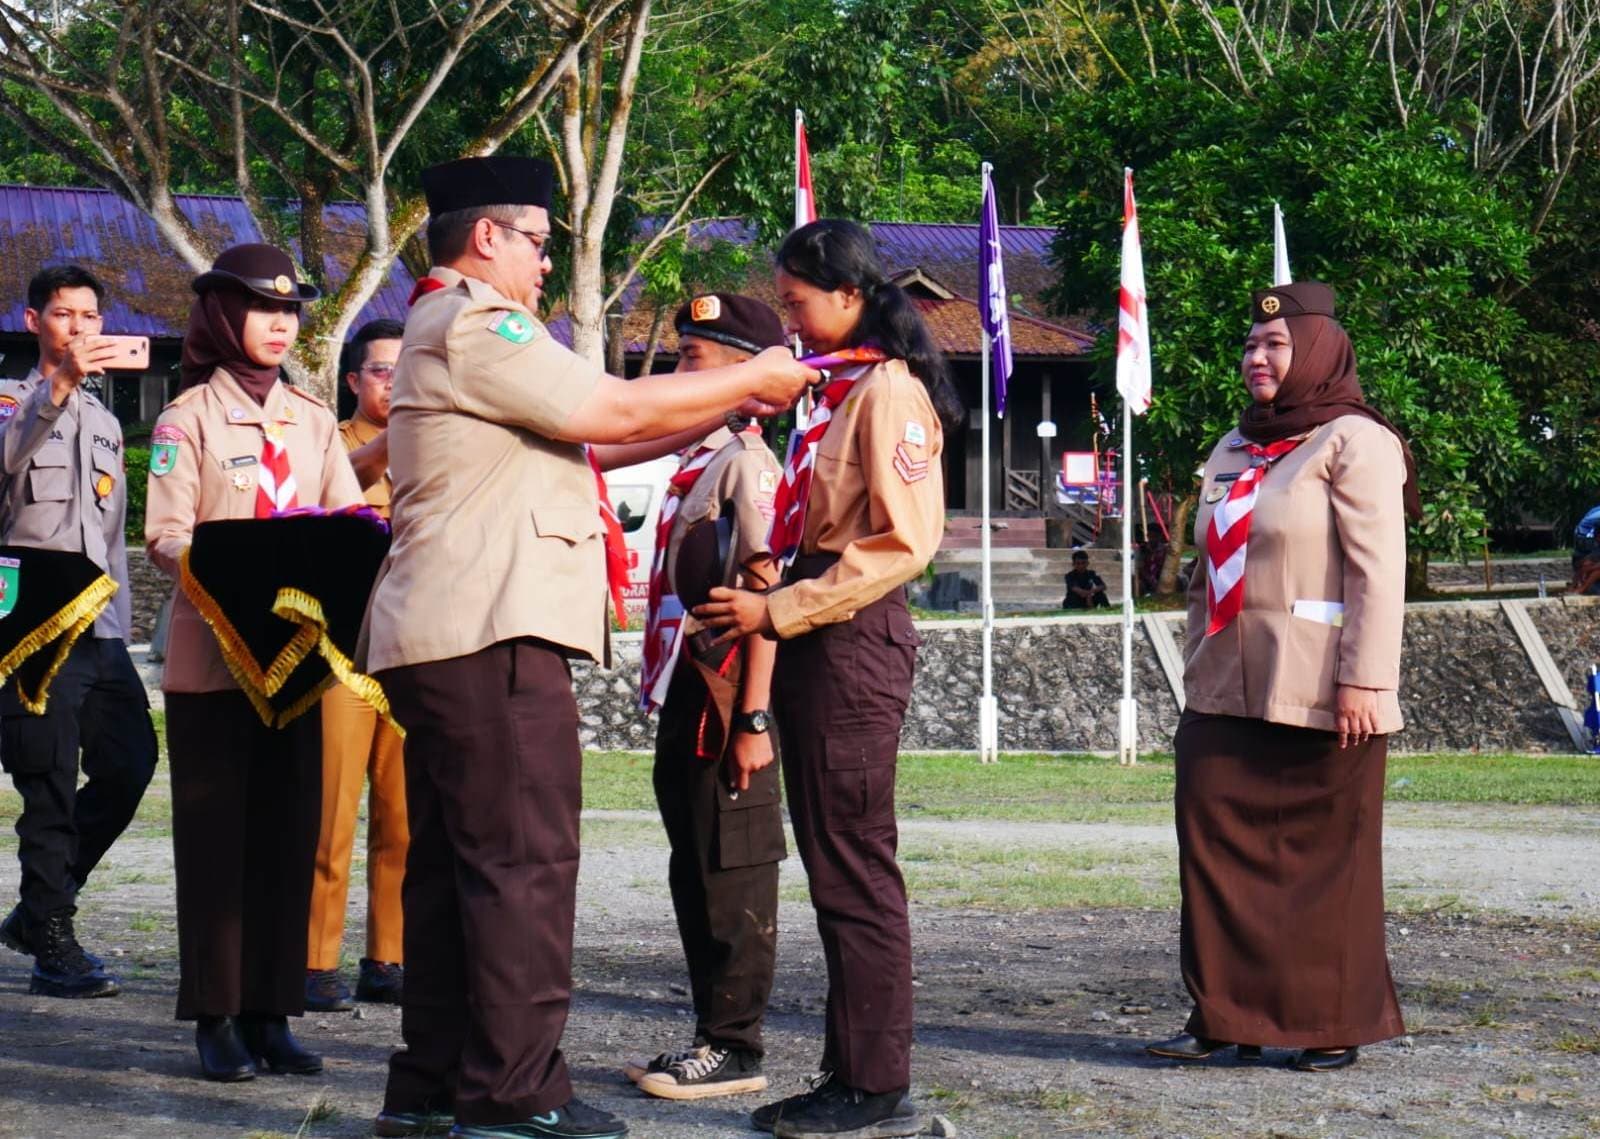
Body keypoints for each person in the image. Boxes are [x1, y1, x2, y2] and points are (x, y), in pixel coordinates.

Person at [364, 156, 815, 1139]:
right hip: (490, 629)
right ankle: (514, 1089)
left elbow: (597, 442)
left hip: (448, 627)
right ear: (488, 238)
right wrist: (759, 371)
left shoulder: (448, 329)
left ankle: (434, 1083)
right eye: (536, 240)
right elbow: (600, 410)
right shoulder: (482, 320)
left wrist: (717, 400)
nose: (543, 262)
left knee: (455, 869)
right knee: (523, 862)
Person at [694, 219, 961, 1139]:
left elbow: (902, 543)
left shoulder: (887, 390)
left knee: (854, 867)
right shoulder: (833, 388)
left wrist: (782, 610)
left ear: (849, 294)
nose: (793, 320)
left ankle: (876, 1083)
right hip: (818, 630)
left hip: (850, 634)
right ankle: (853, 1070)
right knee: (835, 864)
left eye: (801, 301)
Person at [1146, 282, 1418, 1073]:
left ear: (1319, 354)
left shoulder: (1356, 442)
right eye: (1250, 346)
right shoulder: (1234, 446)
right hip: (1224, 687)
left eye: (1275, 347)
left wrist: (1367, 682)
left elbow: (1379, 572)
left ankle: (1328, 1019)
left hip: (1323, 692)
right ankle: (1225, 1015)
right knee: (1215, 854)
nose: (1255, 359)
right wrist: (1198, 659)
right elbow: (1206, 568)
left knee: (1322, 863)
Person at [145, 243, 364, 1083]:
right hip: (217, 666)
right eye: (260, 307)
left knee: (287, 834)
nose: (278, 323)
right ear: (219, 316)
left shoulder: (313, 420)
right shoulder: (186, 419)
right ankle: (217, 1014)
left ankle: (274, 1011)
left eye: (289, 311)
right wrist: (247, 575)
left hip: (298, 670)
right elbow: (167, 537)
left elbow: (348, 518)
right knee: (215, 844)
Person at [622, 294, 788, 1102]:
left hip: (726, 695)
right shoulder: (698, 458)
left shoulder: (747, 463)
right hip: (686, 687)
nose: (682, 369)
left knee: (735, 863)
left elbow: (765, 593)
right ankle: (708, 1033)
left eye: (696, 357)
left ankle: (736, 1044)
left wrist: (755, 715)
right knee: (695, 864)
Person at [0, 265, 159, 998]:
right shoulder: (9, 402)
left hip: (97, 630)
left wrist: (121, 630)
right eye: (64, 315)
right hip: (32, 626)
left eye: (91, 316)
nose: (80, 328)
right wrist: (55, 389)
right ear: (35, 322)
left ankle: (38, 910)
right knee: (50, 782)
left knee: (130, 763)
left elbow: (113, 532)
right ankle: (52, 940)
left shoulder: (102, 420)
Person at [304, 318, 408, 1013]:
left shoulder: (438, 450)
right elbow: (319, 509)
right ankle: (314, 960)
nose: (395, 382)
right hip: (341, 652)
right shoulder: (329, 446)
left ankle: (388, 956)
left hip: (408, 651)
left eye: (410, 369)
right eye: (381, 371)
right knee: (330, 812)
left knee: (405, 818)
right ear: (353, 380)